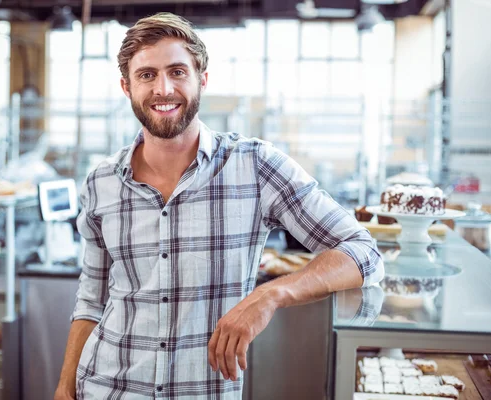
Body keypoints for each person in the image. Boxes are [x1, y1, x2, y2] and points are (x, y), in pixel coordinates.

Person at [54, 12, 384, 400]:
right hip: (105, 388)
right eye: (147, 75)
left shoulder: (256, 166)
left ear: (202, 80)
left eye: (177, 72)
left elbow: (364, 253)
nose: (163, 89)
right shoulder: (101, 182)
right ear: (126, 87)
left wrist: (269, 295)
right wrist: (64, 387)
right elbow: (91, 301)